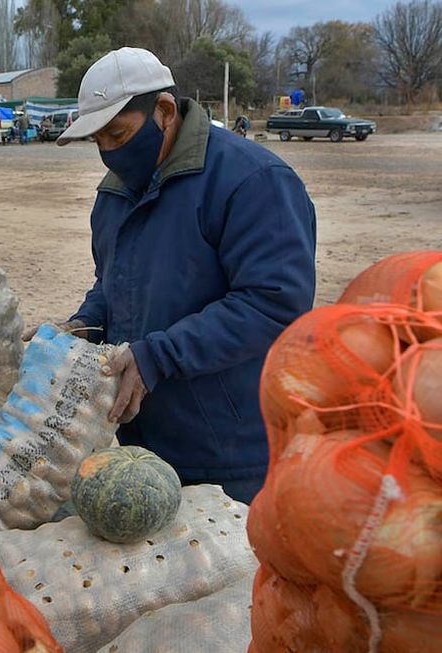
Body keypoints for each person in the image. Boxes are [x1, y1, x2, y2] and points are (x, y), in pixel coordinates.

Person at [26, 47, 316, 504]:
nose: (108, 152)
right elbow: (113, 285)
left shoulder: (253, 181)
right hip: (145, 448)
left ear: (163, 110)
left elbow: (273, 303)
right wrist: (82, 325)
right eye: (96, 139)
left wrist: (160, 355)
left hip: (234, 450)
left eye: (117, 134)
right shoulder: (114, 196)